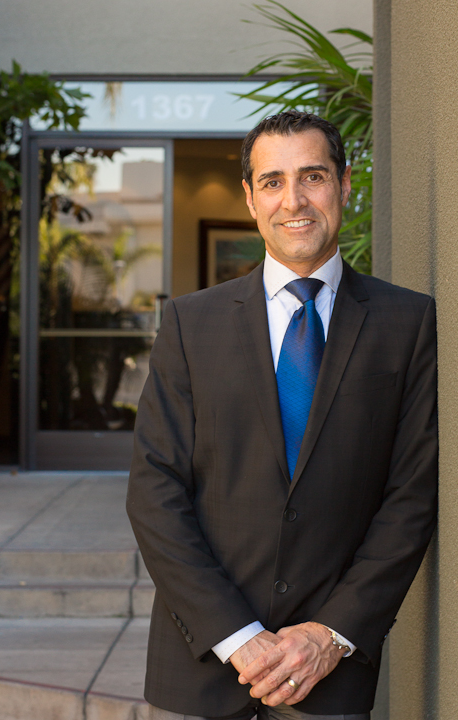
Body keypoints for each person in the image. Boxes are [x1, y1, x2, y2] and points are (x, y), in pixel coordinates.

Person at [126, 111, 438, 720]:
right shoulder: (191, 324)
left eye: (312, 176)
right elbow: (155, 491)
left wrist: (329, 635)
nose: (293, 200)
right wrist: (237, 637)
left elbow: (412, 495)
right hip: (202, 667)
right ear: (250, 198)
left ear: (344, 184)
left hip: (330, 672)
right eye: (273, 181)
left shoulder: (407, 322)